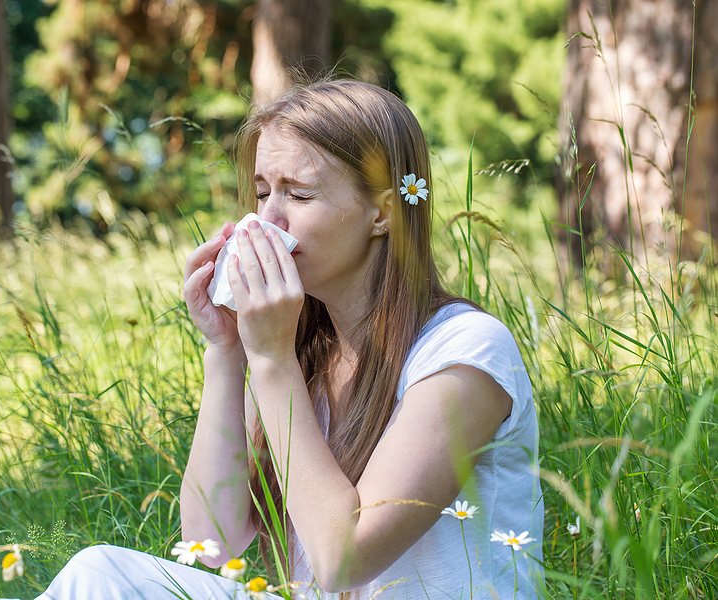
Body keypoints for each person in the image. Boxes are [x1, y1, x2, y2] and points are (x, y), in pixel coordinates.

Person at [35, 79, 543, 600]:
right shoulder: (305, 353)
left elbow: (345, 561)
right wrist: (227, 350)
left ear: (383, 212)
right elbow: (212, 548)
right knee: (98, 575)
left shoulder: (465, 353)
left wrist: (272, 361)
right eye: (261, 193)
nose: (266, 220)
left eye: (298, 194)